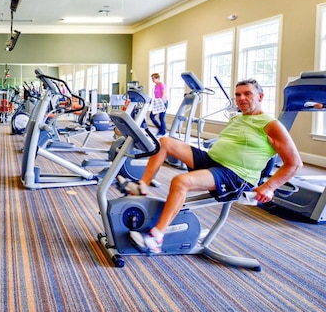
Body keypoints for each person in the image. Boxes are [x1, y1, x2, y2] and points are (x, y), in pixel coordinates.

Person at [126, 78, 302, 254]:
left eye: (248, 94)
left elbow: (294, 163)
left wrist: (269, 187)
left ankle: (156, 238)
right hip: (213, 162)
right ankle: (142, 185)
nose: (241, 98)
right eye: (238, 94)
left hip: (236, 175)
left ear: (260, 96)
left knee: (181, 181)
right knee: (165, 142)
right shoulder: (236, 119)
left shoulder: (271, 125)